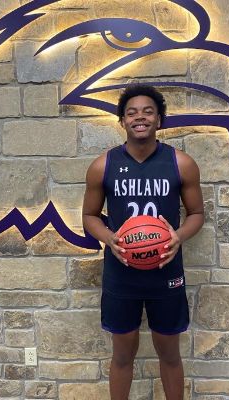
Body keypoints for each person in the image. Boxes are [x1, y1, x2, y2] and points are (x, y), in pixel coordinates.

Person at [82, 85, 204, 400]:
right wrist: (109, 238)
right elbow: (89, 216)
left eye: (148, 112)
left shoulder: (181, 163)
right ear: (122, 121)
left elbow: (197, 214)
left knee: (170, 353)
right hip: (122, 274)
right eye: (132, 112)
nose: (140, 117)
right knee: (123, 354)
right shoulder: (102, 166)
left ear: (159, 119)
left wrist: (178, 236)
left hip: (166, 272)